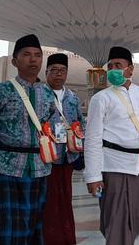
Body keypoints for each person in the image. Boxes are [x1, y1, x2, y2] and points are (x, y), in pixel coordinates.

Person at [0, 34, 58, 245]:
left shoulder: (48, 94)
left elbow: (53, 127)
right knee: (14, 225)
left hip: (40, 168)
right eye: (26, 55)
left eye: (37, 55)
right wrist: (6, 149)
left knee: (34, 223)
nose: (33, 60)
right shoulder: (0, 92)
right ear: (15, 61)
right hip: (8, 168)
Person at [84, 46, 139, 245]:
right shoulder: (100, 98)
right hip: (114, 166)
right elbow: (92, 139)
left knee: (137, 215)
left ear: (130, 69)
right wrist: (93, 176)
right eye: (110, 66)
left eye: (118, 65)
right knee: (117, 221)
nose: (113, 70)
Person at [43, 53, 86, 244]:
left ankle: (67, 238)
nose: (59, 74)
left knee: (65, 199)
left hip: (67, 156)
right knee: (48, 201)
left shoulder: (72, 98)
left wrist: (80, 147)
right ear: (46, 73)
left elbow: (80, 123)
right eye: (54, 70)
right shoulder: (39, 95)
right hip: (46, 156)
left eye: (63, 71)